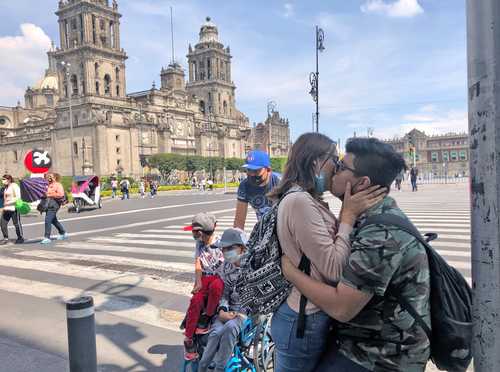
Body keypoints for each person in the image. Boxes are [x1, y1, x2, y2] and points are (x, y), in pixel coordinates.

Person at [282, 137, 430, 372]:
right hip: (360, 339)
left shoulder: (382, 234)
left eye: (341, 167)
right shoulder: (366, 214)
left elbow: (342, 307)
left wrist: (290, 272)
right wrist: (346, 213)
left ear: (361, 183)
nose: (334, 170)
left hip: (384, 355)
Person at [267, 133, 385, 372]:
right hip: (303, 319)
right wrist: (349, 217)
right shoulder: (300, 201)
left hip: (304, 315)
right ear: (315, 162)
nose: (337, 167)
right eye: (335, 160)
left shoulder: (305, 198)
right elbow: (334, 269)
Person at [198, 228, 248, 372]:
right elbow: (224, 293)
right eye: (223, 249)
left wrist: (238, 314)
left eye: (230, 248)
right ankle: (202, 367)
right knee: (215, 332)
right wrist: (222, 310)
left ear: (242, 248)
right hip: (228, 310)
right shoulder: (225, 266)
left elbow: (257, 297)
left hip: (247, 312)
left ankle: (220, 368)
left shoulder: (252, 266)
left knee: (230, 327)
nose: (226, 252)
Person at [182, 213, 224, 360]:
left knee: (216, 285)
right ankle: (188, 338)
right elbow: (198, 262)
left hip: (219, 278)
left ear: (200, 233)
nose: (193, 236)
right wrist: (198, 281)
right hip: (204, 278)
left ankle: (207, 316)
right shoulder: (199, 244)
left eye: (193, 232)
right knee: (196, 300)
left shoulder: (221, 243)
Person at [233, 149, 280, 229]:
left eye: (256, 171)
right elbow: (239, 221)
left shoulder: (280, 182)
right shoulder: (244, 186)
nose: (252, 174)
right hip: (264, 229)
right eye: (249, 170)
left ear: (268, 170)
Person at [41, 173, 68, 244]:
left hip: (54, 204)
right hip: (48, 204)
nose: (49, 178)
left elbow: (61, 194)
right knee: (53, 220)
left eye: (51, 176)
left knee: (48, 220)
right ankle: (63, 233)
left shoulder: (58, 185)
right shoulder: (47, 185)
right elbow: (45, 194)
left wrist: (50, 195)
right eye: (48, 176)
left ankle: (47, 237)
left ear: (55, 178)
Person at [0, 174, 24, 244]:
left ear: (9, 179)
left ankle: (20, 237)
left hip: (14, 208)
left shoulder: (14, 186)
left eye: (4, 179)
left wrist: (9, 202)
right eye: (2, 179)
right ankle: (6, 238)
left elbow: (18, 197)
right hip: (6, 209)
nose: (2, 181)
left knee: (16, 223)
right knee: (2, 223)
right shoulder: (5, 187)